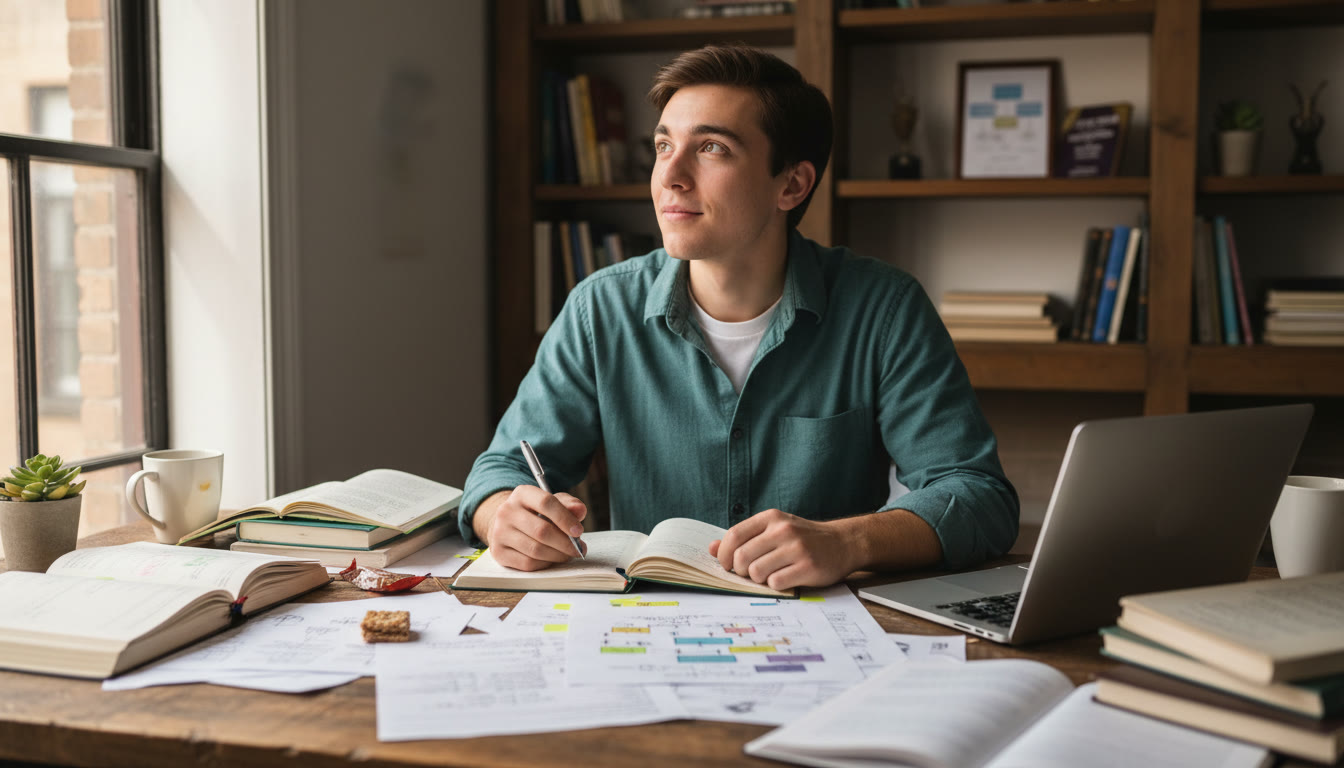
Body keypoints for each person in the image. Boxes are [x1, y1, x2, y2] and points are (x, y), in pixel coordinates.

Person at [460, 44, 1018, 591]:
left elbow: (977, 495)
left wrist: (847, 542)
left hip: (821, 630)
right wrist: (503, 517)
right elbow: (497, 474)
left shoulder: (885, 308)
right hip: (643, 624)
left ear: (791, 184)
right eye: (662, 146)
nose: (670, 176)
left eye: (711, 149)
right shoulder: (599, 308)